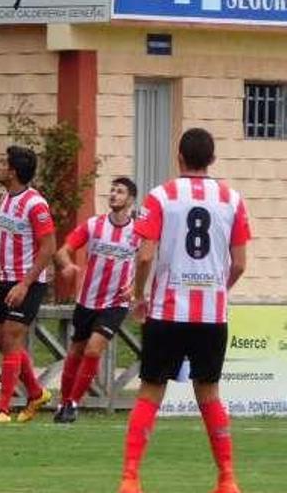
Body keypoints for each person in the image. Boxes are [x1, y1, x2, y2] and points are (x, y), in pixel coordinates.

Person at [118, 128, 250, 493]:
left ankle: (130, 478)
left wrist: (138, 294)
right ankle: (227, 478)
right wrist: (217, 290)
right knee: (209, 393)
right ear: (212, 159)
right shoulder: (232, 199)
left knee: (150, 391)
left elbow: (145, 254)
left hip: (167, 311)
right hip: (211, 315)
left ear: (179, 157)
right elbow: (239, 263)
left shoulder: (162, 195)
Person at [0, 146, 56, 424]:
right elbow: (10, 240)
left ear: (12, 171)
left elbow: (49, 247)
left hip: (28, 282)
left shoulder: (36, 204)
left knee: (11, 338)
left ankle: (2, 409)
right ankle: (36, 393)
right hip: (5, 278)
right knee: (3, 342)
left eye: (2, 162)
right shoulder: (6, 198)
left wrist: (25, 283)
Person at [53, 177, 139, 424]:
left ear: (131, 199)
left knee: (93, 349)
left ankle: (73, 404)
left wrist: (135, 288)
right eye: (112, 191)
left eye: (120, 191)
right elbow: (62, 251)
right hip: (87, 300)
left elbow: (149, 261)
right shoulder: (93, 225)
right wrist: (67, 265)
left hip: (115, 303)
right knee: (76, 351)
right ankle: (63, 401)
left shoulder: (139, 232)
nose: (113, 195)